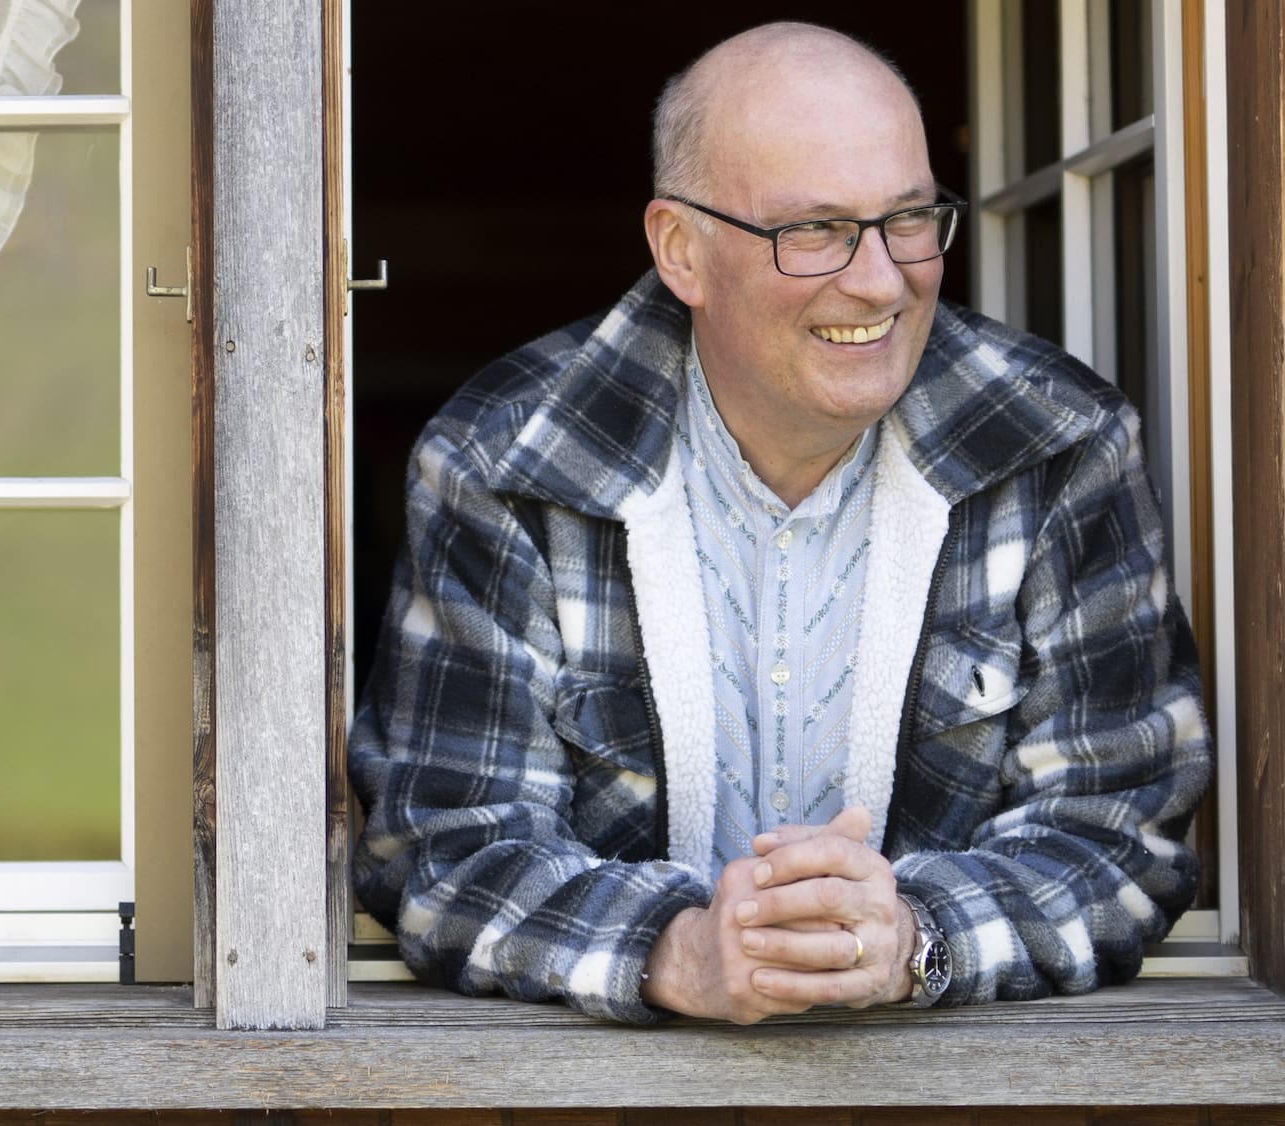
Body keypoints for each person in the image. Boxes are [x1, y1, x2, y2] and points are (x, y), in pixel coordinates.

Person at [347, 21, 1213, 1025]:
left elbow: (1123, 833)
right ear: (681, 248)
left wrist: (911, 937)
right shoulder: (505, 459)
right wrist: (671, 949)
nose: (882, 280)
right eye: (813, 231)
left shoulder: (1060, 443)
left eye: (908, 218)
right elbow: (440, 845)